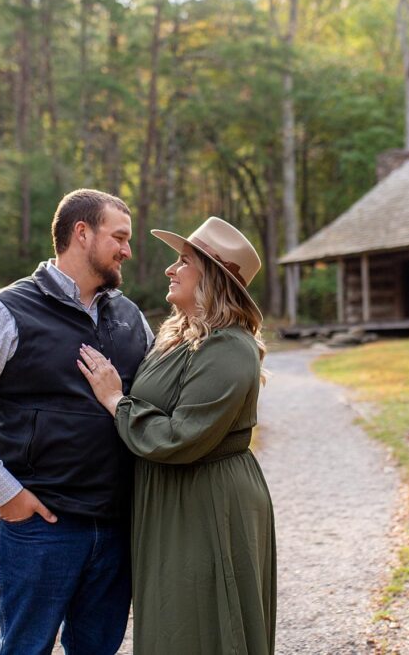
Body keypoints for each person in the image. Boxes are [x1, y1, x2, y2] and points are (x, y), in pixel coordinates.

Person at [0, 189, 152, 655]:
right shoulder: (5, 311)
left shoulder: (130, 317)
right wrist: (5, 492)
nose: (128, 250)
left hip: (115, 526)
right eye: (120, 237)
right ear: (81, 232)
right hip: (39, 526)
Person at [78, 216, 276, 655]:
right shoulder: (177, 337)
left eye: (183, 261)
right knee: (172, 621)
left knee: (200, 623)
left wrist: (116, 402)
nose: (170, 269)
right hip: (171, 498)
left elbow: (180, 437)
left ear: (214, 280)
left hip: (207, 501)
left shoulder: (229, 347)